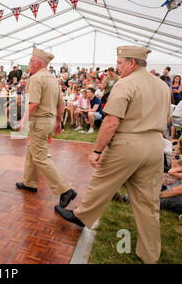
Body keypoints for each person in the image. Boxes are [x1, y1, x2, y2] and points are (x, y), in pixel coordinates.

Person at [54, 46, 171, 264]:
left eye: (119, 63)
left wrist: (97, 151)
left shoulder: (125, 84)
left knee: (102, 181)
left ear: (132, 63)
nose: (116, 68)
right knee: (148, 203)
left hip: (128, 143)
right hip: (155, 144)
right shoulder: (162, 86)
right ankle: (150, 254)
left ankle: (82, 216)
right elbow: (166, 120)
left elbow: (111, 122)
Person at [15, 48, 77, 208]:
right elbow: (60, 104)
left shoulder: (36, 79)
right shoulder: (53, 79)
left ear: (38, 63)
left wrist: (23, 121)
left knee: (40, 156)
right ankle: (30, 183)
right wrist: (58, 122)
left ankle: (65, 190)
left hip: (40, 121)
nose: (28, 64)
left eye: (30, 61)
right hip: (48, 121)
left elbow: (34, 104)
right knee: (32, 151)